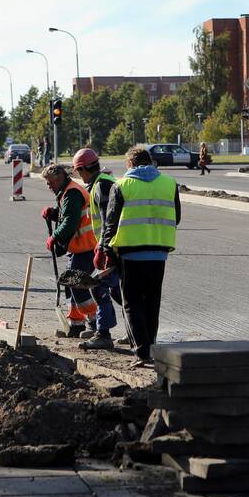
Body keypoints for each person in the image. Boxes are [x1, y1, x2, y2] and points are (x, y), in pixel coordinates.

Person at [98, 146, 181, 368]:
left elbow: (111, 223)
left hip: (130, 254)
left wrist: (107, 251)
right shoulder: (169, 184)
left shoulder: (122, 186)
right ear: (151, 162)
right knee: (152, 302)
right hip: (159, 253)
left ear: (130, 165)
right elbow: (177, 217)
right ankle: (151, 347)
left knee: (132, 304)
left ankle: (142, 353)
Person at [70, 148, 122, 350]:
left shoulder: (101, 186)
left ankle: (103, 334)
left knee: (99, 287)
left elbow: (109, 221)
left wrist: (103, 249)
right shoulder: (101, 184)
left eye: (78, 171)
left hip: (112, 247)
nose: (78, 176)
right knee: (120, 292)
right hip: (114, 246)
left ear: (83, 169)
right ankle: (133, 333)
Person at [41, 163, 99, 334]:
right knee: (69, 283)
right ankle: (76, 324)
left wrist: (55, 237)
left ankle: (95, 323)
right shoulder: (65, 192)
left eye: (51, 183)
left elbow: (69, 222)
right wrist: (52, 213)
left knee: (77, 284)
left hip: (86, 246)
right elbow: (64, 214)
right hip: (77, 248)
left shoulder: (72, 193)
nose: (49, 187)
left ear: (60, 179)